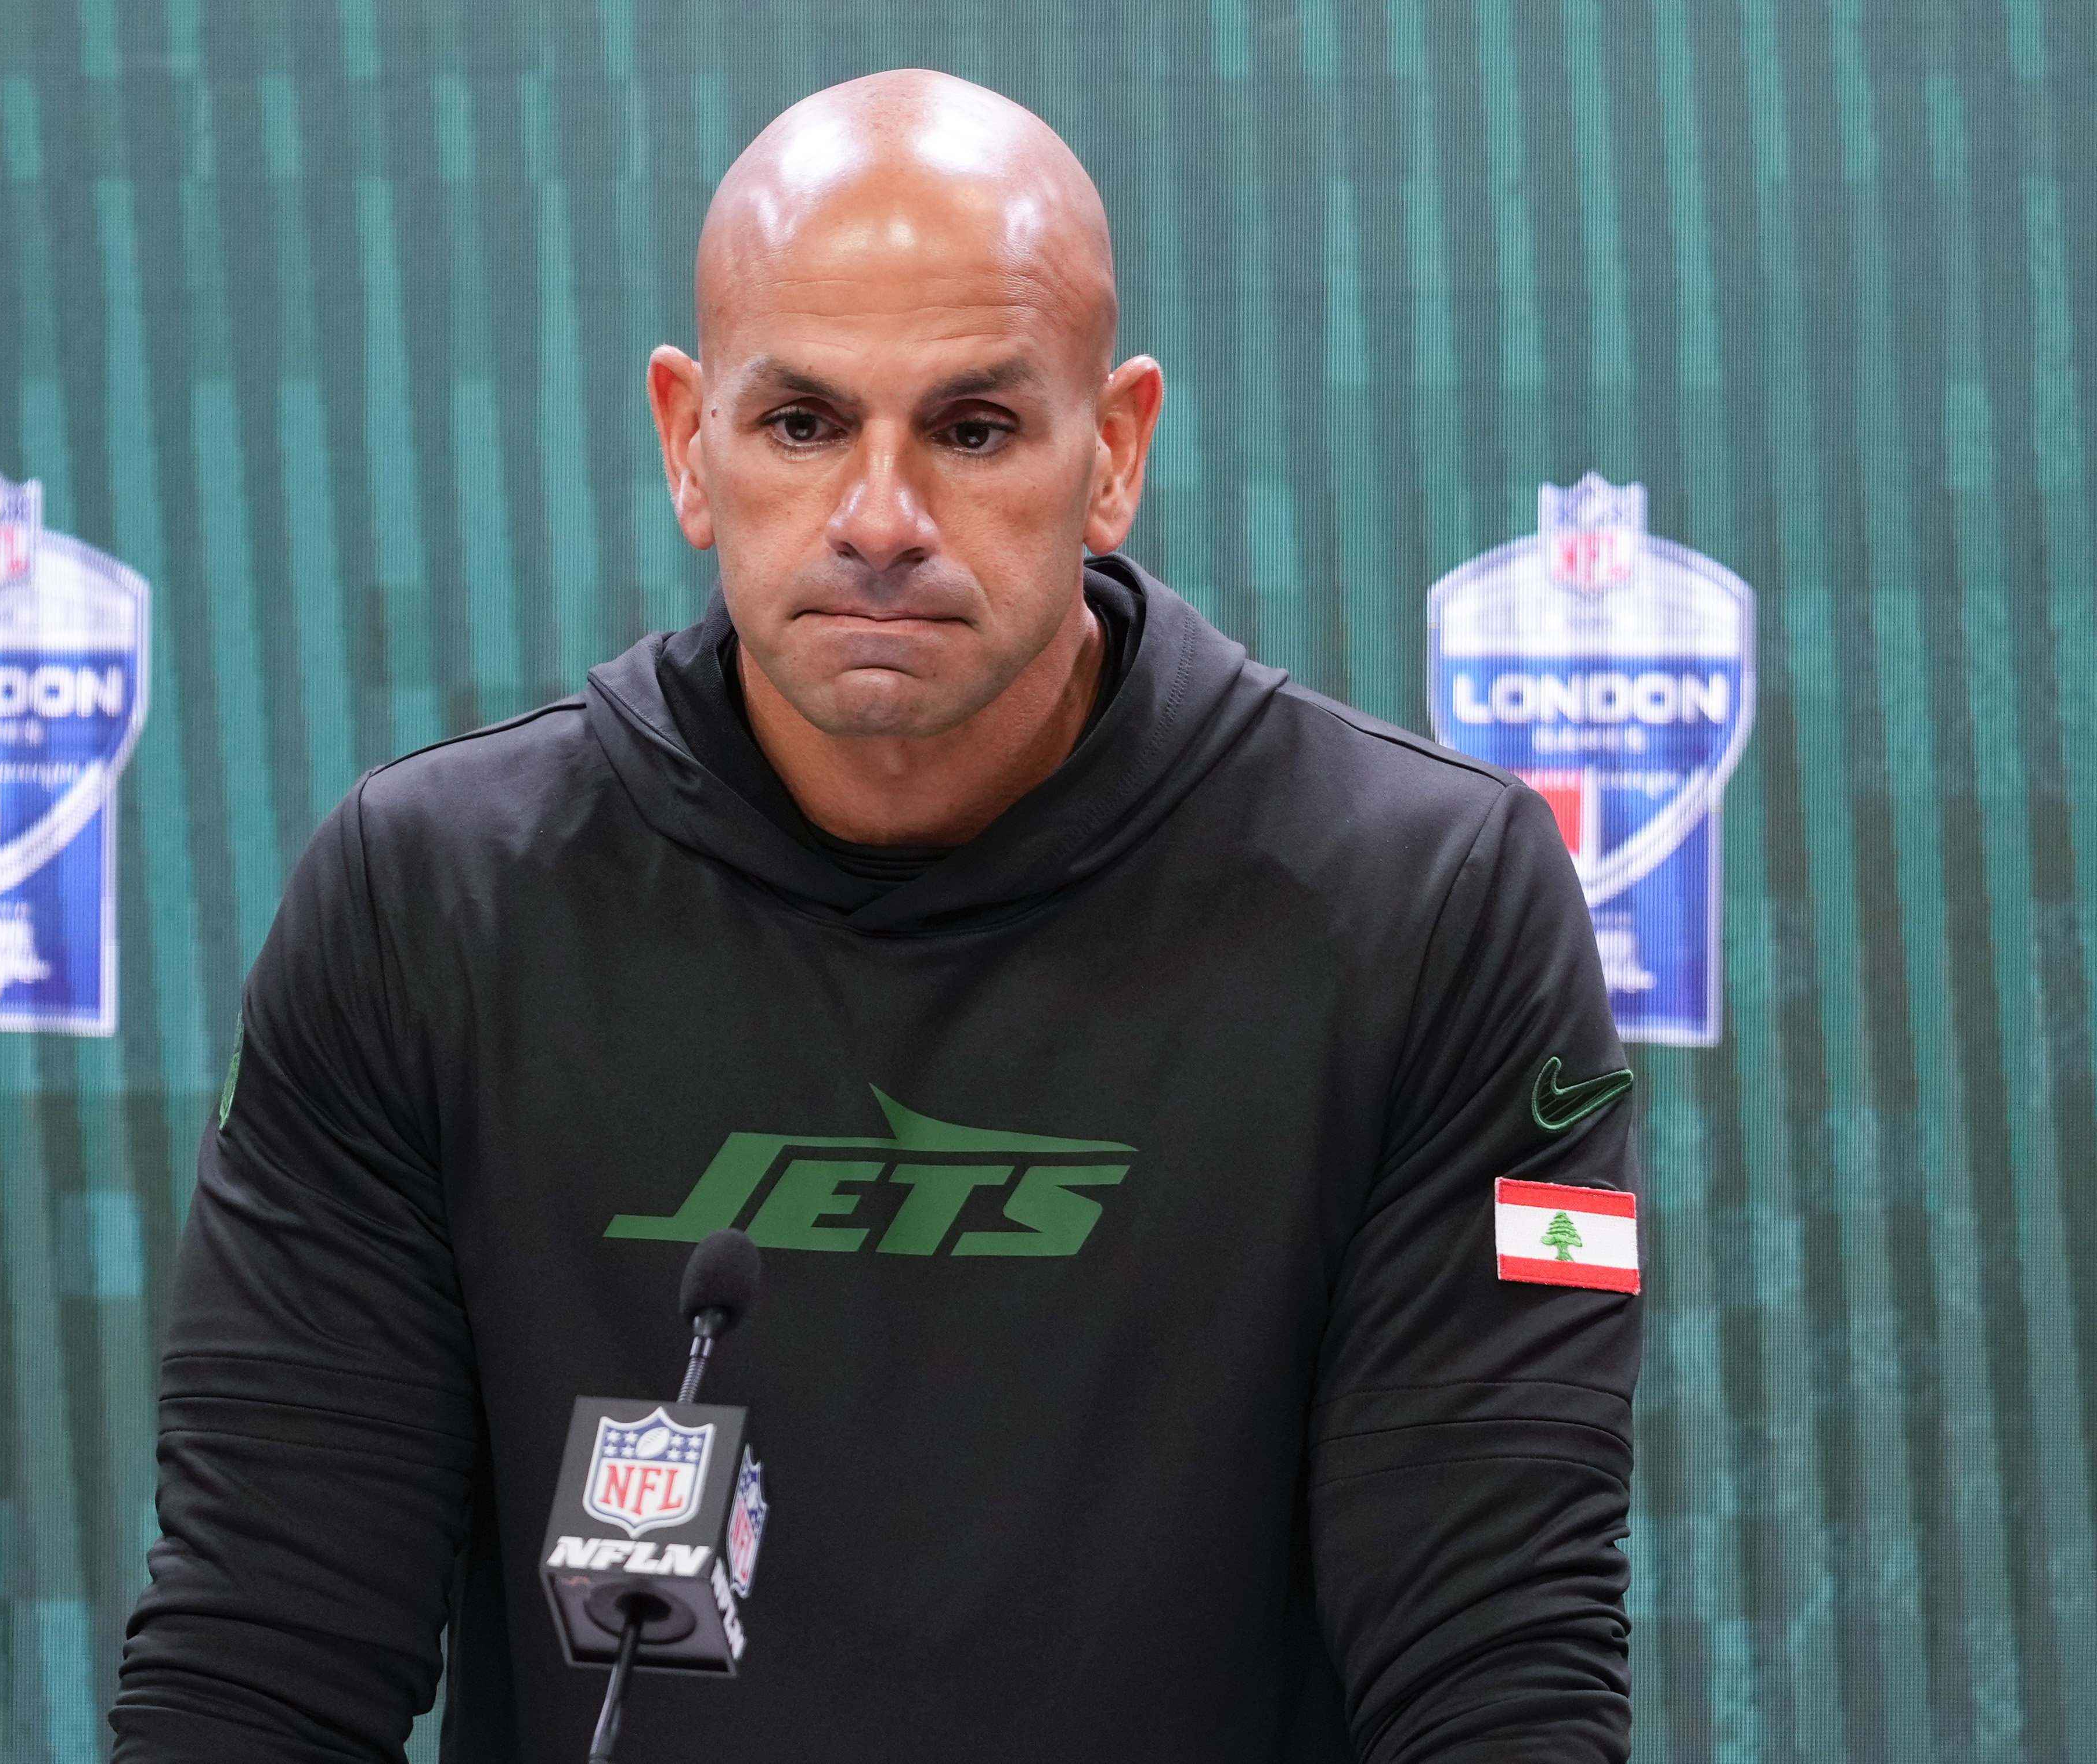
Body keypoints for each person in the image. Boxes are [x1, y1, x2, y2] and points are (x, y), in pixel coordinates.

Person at [111, 69, 1639, 1763]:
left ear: (1113, 451)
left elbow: (1500, 1662)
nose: (882, 520)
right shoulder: (429, 900)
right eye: (804, 424)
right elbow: (263, 1653)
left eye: (974, 430)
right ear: (690, 445)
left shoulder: (1427, 902)